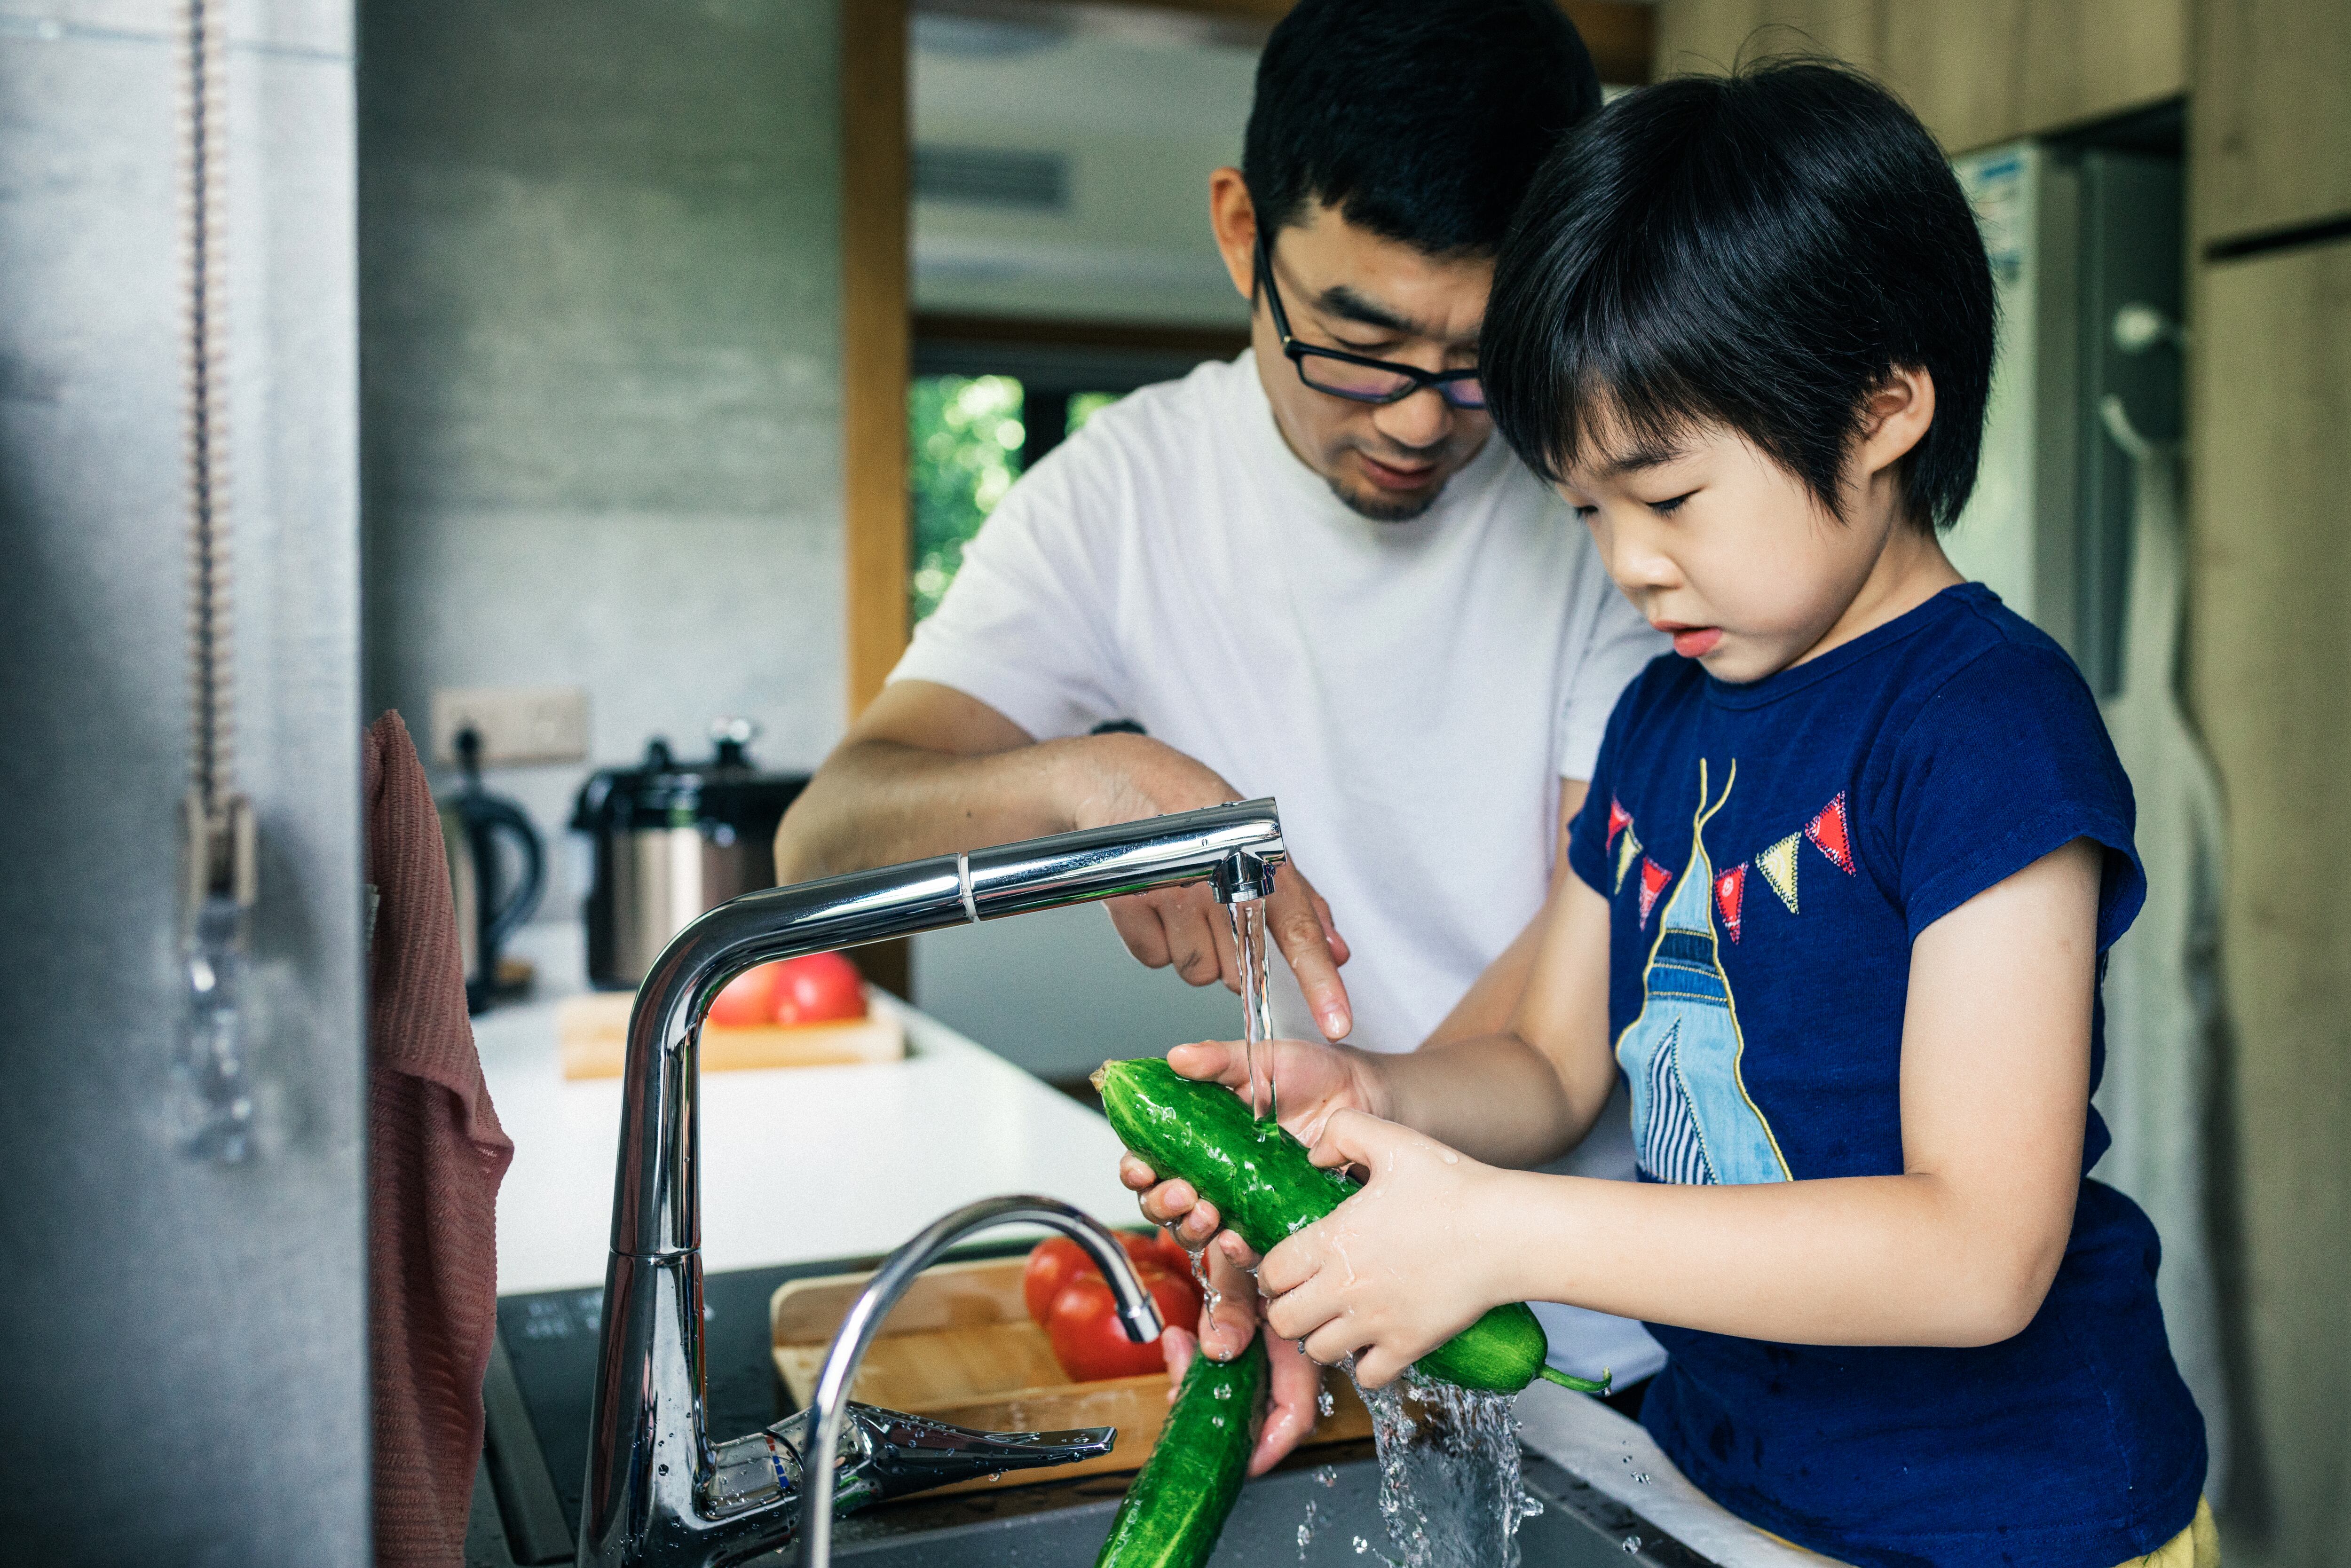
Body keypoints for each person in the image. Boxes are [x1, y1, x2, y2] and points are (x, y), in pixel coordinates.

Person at [1131, 62, 2213, 1568]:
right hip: (1728, 1476)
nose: (1629, 564)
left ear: (1886, 404)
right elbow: (1550, 1062)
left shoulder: (1980, 722)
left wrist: (1502, 1233)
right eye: (1585, 509)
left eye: (1670, 496)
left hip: (2019, 1519)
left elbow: (1979, 1252)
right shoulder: (1661, 719)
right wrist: (1372, 1098)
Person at [775, 0, 1666, 1470]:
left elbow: (1565, 987)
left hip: (1601, 1335)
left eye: (1480, 355)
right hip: (1323, 1311)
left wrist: (1333, 1196)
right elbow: (827, 833)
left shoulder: (1607, 499)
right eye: (1361, 343)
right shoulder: (1124, 492)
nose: (1423, 418)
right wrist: (1091, 784)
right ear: (1243, 233)